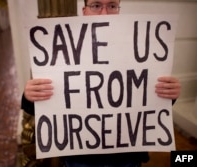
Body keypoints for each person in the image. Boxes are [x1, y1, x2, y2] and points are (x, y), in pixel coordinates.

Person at [21, 0, 181, 166]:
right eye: (96, 6)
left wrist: (169, 93)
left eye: (112, 6)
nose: (104, 13)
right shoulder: (61, 50)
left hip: (126, 155)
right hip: (80, 156)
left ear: (118, 9)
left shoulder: (139, 46)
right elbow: (46, 107)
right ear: (84, 10)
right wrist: (29, 96)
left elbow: (148, 102)